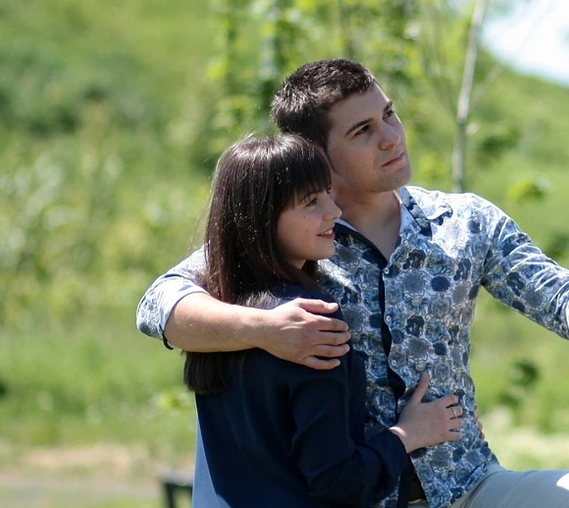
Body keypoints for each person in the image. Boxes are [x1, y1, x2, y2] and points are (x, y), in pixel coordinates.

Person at [137, 59, 569, 508]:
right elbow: (159, 305)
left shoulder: (467, 222)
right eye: (363, 130)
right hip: (338, 496)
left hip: (468, 489)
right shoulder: (287, 239)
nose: (391, 136)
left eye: (390, 114)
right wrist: (267, 329)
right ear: (317, 156)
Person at [183, 134, 462, 507]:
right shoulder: (312, 323)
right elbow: (338, 482)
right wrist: (409, 433)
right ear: (262, 219)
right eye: (311, 202)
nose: (333, 211)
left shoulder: (216, 313)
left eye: (328, 194)